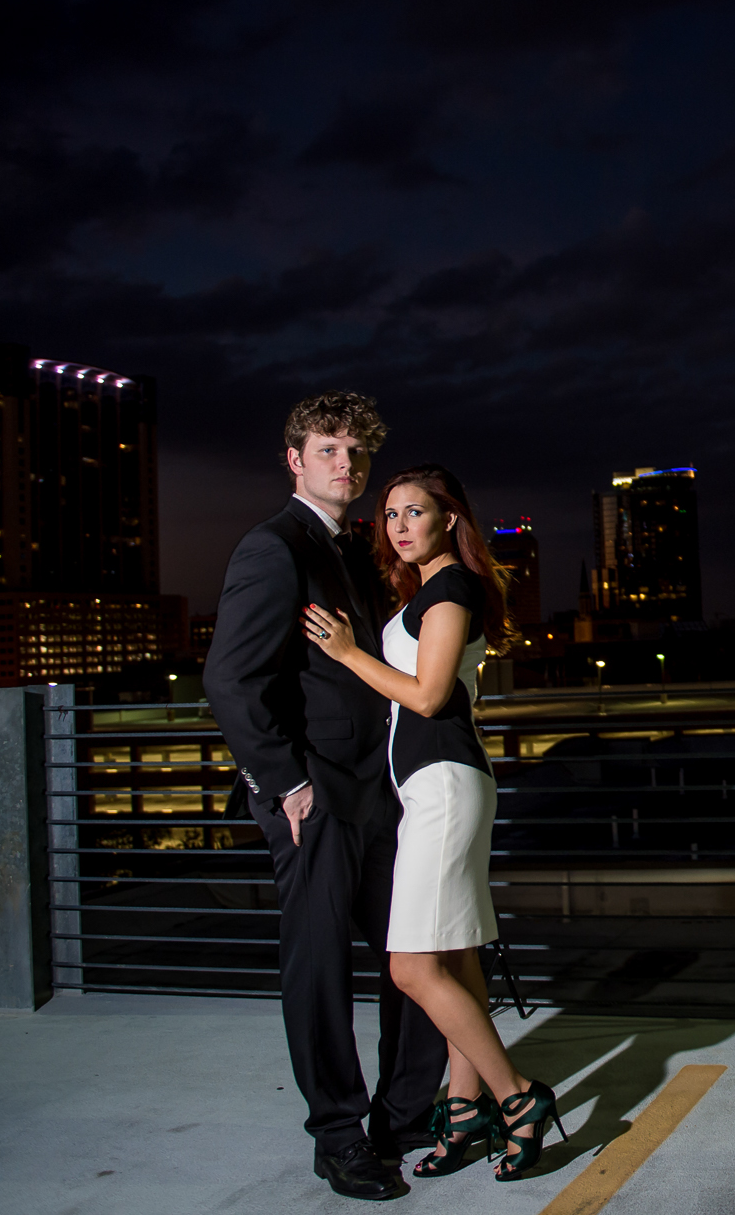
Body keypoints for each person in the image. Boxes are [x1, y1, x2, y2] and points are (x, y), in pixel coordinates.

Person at [203, 393, 444, 1201]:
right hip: (313, 797)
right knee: (320, 973)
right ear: (295, 459)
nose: (347, 464)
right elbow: (232, 679)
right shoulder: (273, 547)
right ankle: (338, 1137)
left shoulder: (353, 551)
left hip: (375, 791)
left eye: (357, 453)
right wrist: (286, 781)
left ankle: (405, 1117)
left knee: (412, 956)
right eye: (330, 449)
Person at [303, 463, 567, 1183]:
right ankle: (460, 1107)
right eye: (388, 515)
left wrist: (348, 652)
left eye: (413, 511)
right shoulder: (428, 590)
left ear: (448, 516)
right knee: (454, 959)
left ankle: (517, 1098)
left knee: (412, 966)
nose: (398, 526)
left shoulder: (451, 589)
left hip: (446, 787)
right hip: (433, 788)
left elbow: (426, 697)